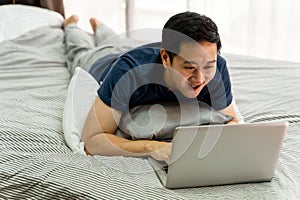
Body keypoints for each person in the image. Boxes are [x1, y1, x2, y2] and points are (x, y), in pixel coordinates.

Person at [63, 11, 238, 164]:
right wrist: (152, 147)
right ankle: (71, 26)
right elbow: (92, 141)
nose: (199, 78)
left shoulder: (217, 68)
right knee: (81, 52)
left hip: (134, 53)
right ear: (165, 58)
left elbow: (231, 123)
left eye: (208, 66)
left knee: (117, 43)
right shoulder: (127, 73)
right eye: (189, 67)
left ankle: (100, 27)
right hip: (101, 63)